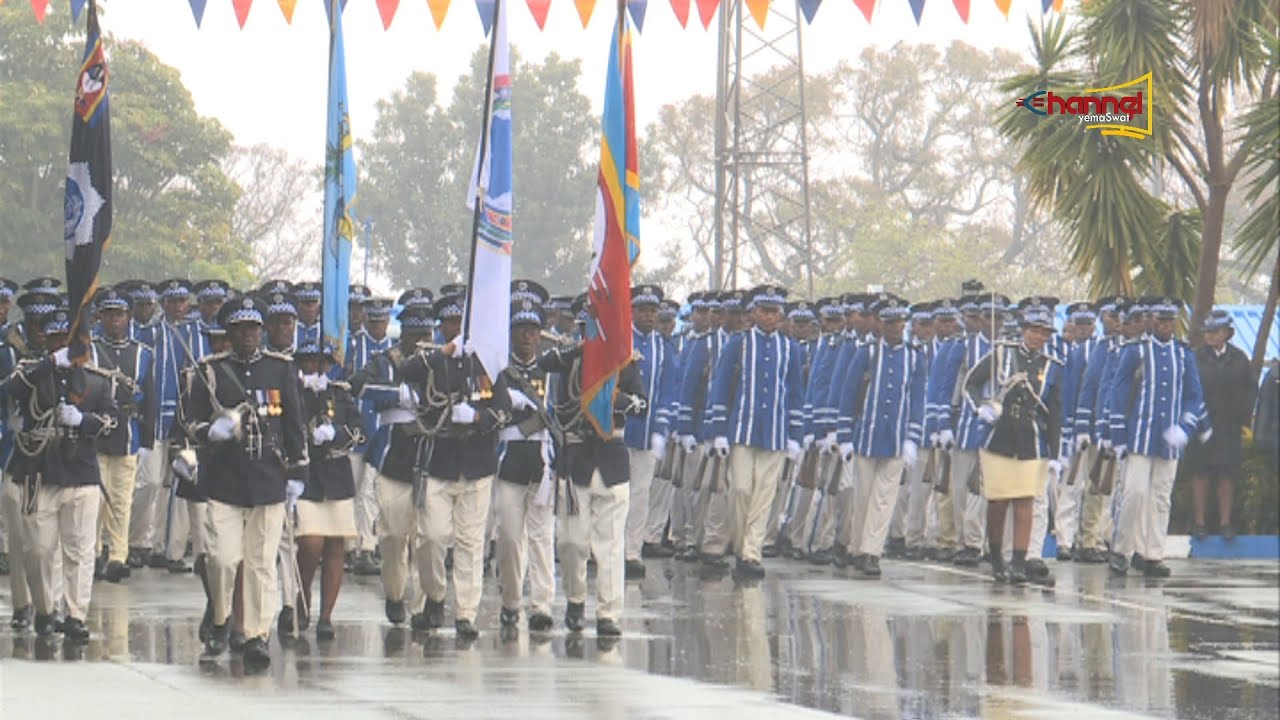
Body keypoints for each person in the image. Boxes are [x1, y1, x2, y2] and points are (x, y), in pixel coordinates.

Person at [190, 296, 309, 670]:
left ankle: (257, 635)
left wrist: (299, 473)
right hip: (225, 481)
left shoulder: (280, 369)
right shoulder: (210, 371)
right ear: (229, 333)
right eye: (241, 328)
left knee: (260, 563)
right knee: (223, 560)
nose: (249, 335)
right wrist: (212, 430)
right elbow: (190, 424)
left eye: (254, 328)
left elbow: (294, 425)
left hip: (268, 480)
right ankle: (222, 618)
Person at [3, 309, 117, 640]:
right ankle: (45, 608)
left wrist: (84, 421)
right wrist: (49, 365)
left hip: (80, 473)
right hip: (40, 474)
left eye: (65, 339)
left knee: (79, 551)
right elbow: (8, 390)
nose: (60, 344)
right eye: (54, 339)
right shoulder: (33, 372)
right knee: (38, 549)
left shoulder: (97, 378)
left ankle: (76, 615)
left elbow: (112, 422)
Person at [547, 294, 647, 636]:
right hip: (577, 460)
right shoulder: (568, 362)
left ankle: (608, 613)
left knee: (610, 544)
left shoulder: (625, 363)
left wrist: (612, 397)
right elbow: (559, 409)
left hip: (611, 458)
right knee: (572, 542)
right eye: (585, 325)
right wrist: (579, 356)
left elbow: (642, 405)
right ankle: (575, 600)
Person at [707, 284, 806, 579]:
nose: (770, 317)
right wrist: (719, 430)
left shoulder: (790, 348)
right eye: (764, 311)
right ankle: (740, 544)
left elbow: (795, 394)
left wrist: (795, 436)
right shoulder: (738, 343)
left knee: (764, 494)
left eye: (775, 312)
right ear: (753, 313)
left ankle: (751, 552)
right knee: (739, 489)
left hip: (775, 432)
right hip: (741, 429)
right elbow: (721, 386)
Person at [348, 303, 436, 626]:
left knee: (426, 538)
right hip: (393, 457)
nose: (420, 343)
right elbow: (358, 384)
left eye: (425, 335)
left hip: (429, 457)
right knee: (393, 537)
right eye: (414, 336)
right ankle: (396, 594)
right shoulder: (385, 362)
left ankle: (421, 606)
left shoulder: (438, 363)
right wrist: (397, 392)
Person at [1107, 297, 1207, 579]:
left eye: (1169, 321)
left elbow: (1194, 396)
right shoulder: (1136, 351)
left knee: (1161, 497)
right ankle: (1121, 549)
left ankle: (1152, 554)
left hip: (1169, 440)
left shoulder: (1183, 354)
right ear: (1151, 321)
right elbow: (1118, 392)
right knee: (1135, 493)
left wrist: (1185, 429)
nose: (1164, 325)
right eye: (1159, 320)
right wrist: (1118, 436)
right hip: (1139, 434)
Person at [964, 305, 1064, 585]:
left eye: (1044, 333)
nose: (1038, 337)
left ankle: (1019, 562)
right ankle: (997, 558)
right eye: (1034, 330)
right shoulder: (1001, 353)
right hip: (1000, 436)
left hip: (1031, 439)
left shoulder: (1052, 367)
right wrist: (980, 408)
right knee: (998, 502)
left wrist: (1055, 454)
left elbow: (1055, 413)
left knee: (1025, 502)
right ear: (1023, 330)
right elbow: (971, 383)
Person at [835, 296, 926, 578]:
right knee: (862, 496)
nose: (896, 328)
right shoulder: (867, 353)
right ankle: (856, 546)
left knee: (884, 498)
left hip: (896, 437)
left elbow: (918, 398)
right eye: (890, 323)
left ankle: (871, 552)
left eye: (900, 323)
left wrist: (913, 437)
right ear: (881, 325)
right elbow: (848, 392)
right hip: (866, 434)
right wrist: (844, 435)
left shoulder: (914, 356)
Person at [494, 293, 557, 633]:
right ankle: (511, 600)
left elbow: (559, 412)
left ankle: (542, 604)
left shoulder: (551, 371)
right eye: (521, 329)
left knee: (542, 537)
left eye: (533, 329)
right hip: (509, 461)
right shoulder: (500, 371)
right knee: (509, 537)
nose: (528, 336)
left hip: (542, 460)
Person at [293, 341, 363, 641]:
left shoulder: (339, 392)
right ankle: (302, 597)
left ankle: (326, 616)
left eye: (320, 362)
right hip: (307, 477)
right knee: (310, 544)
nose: (314, 367)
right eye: (308, 361)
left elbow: (359, 430)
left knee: (336, 547)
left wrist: (336, 435)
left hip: (336, 475)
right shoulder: (294, 392)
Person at [91, 287, 157, 583]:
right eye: (109, 314)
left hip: (127, 432)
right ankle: (92, 552)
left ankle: (118, 555)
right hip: (95, 432)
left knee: (121, 499)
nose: (114, 320)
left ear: (128, 317)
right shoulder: (90, 348)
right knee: (95, 499)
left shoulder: (143, 353)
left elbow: (151, 397)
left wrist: (146, 440)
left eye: (119, 314)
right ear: (101, 317)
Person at [1185, 309, 1255, 540]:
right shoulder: (1195, 357)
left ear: (1226, 333)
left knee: (1227, 474)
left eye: (1215, 331)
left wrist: (1241, 417)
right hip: (1201, 427)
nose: (1210, 336)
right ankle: (1199, 523)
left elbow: (1249, 390)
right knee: (1201, 473)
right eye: (1207, 332)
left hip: (1228, 427)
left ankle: (1225, 523)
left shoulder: (1239, 358)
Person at [624, 284, 678, 579]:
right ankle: (612, 549)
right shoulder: (621, 340)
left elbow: (669, 391)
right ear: (631, 311)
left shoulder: (664, 347)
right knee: (617, 494)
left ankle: (632, 551)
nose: (647, 315)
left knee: (641, 493)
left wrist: (661, 429)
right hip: (620, 432)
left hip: (646, 433)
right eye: (642, 310)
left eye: (652, 311)